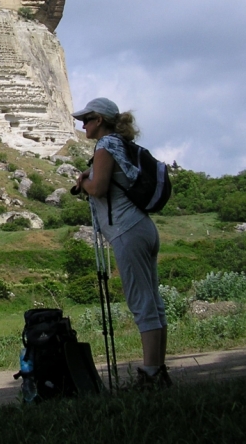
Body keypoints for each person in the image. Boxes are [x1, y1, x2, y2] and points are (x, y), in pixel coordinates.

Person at [72, 97, 171, 389]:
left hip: (127, 231)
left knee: (142, 302)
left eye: (86, 120)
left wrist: (82, 182)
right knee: (153, 302)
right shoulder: (122, 145)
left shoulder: (104, 146)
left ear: (99, 120)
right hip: (143, 228)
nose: (83, 125)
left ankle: (151, 375)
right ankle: (158, 370)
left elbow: (99, 188)